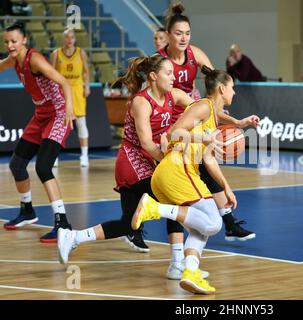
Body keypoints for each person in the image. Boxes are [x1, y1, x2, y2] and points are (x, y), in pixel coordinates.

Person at [58, 55, 210, 266]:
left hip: (150, 160)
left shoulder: (173, 95)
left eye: (173, 73)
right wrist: (167, 161)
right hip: (132, 161)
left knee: (129, 224)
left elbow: (201, 108)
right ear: (154, 76)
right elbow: (147, 144)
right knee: (173, 198)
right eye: (168, 73)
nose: (173, 77)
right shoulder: (141, 102)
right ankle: (177, 263)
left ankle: (73, 237)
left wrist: (225, 122)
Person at [158, 3, 259, 281]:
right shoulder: (161, 62)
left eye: (187, 33)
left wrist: (234, 121)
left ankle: (188, 258)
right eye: (178, 33)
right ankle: (179, 256)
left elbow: (218, 84)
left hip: (194, 123)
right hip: (174, 128)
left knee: (203, 178)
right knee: (181, 194)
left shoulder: (196, 55)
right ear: (167, 35)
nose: (183, 38)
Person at [131, 67, 237, 295]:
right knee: (214, 223)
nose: (234, 93)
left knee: (201, 229)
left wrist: (227, 188)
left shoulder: (211, 118)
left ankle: (190, 272)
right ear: (222, 89)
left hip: (172, 174)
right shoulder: (203, 106)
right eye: (232, 88)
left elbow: (208, 159)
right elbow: (174, 132)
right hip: (177, 170)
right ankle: (154, 208)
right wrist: (203, 137)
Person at [0, 22, 75, 242]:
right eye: (6, 42)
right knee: (17, 164)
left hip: (58, 113)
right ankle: (27, 211)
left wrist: (69, 109)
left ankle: (63, 223)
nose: (10, 45)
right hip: (41, 114)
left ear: (24, 40)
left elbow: (64, 82)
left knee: (43, 166)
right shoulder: (13, 60)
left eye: (14, 41)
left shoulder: (35, 59)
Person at [51, 28, 91, 167]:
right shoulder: (56, 53)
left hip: (77, 90)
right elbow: (51, 74)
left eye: (72, 37)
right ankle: (54, 156)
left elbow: (86, 71)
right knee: (59, 126)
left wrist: (87, 86)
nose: (69, 40)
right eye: (67, 37)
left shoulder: (81, 53)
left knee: (81, 124)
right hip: (62, 92)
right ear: (63, 39)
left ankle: (84, 156)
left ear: (75, 39)